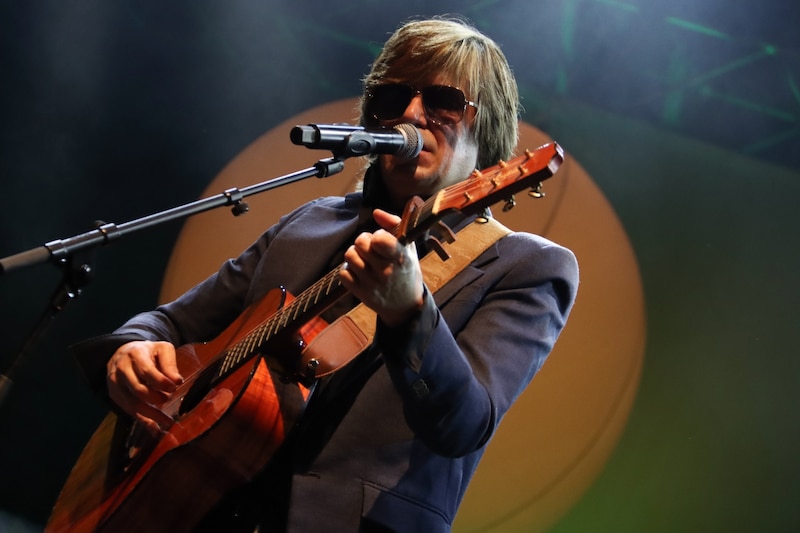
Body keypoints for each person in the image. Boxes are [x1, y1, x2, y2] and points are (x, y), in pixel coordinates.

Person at [90, 16, 578, 532]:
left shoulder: (526, 266)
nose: (411, 115)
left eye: (442, 100)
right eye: (393, 100)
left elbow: (462, 424)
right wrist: (131, 351)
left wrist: (408, 312)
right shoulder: (311, 221)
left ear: (488, 126)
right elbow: (168, 324)